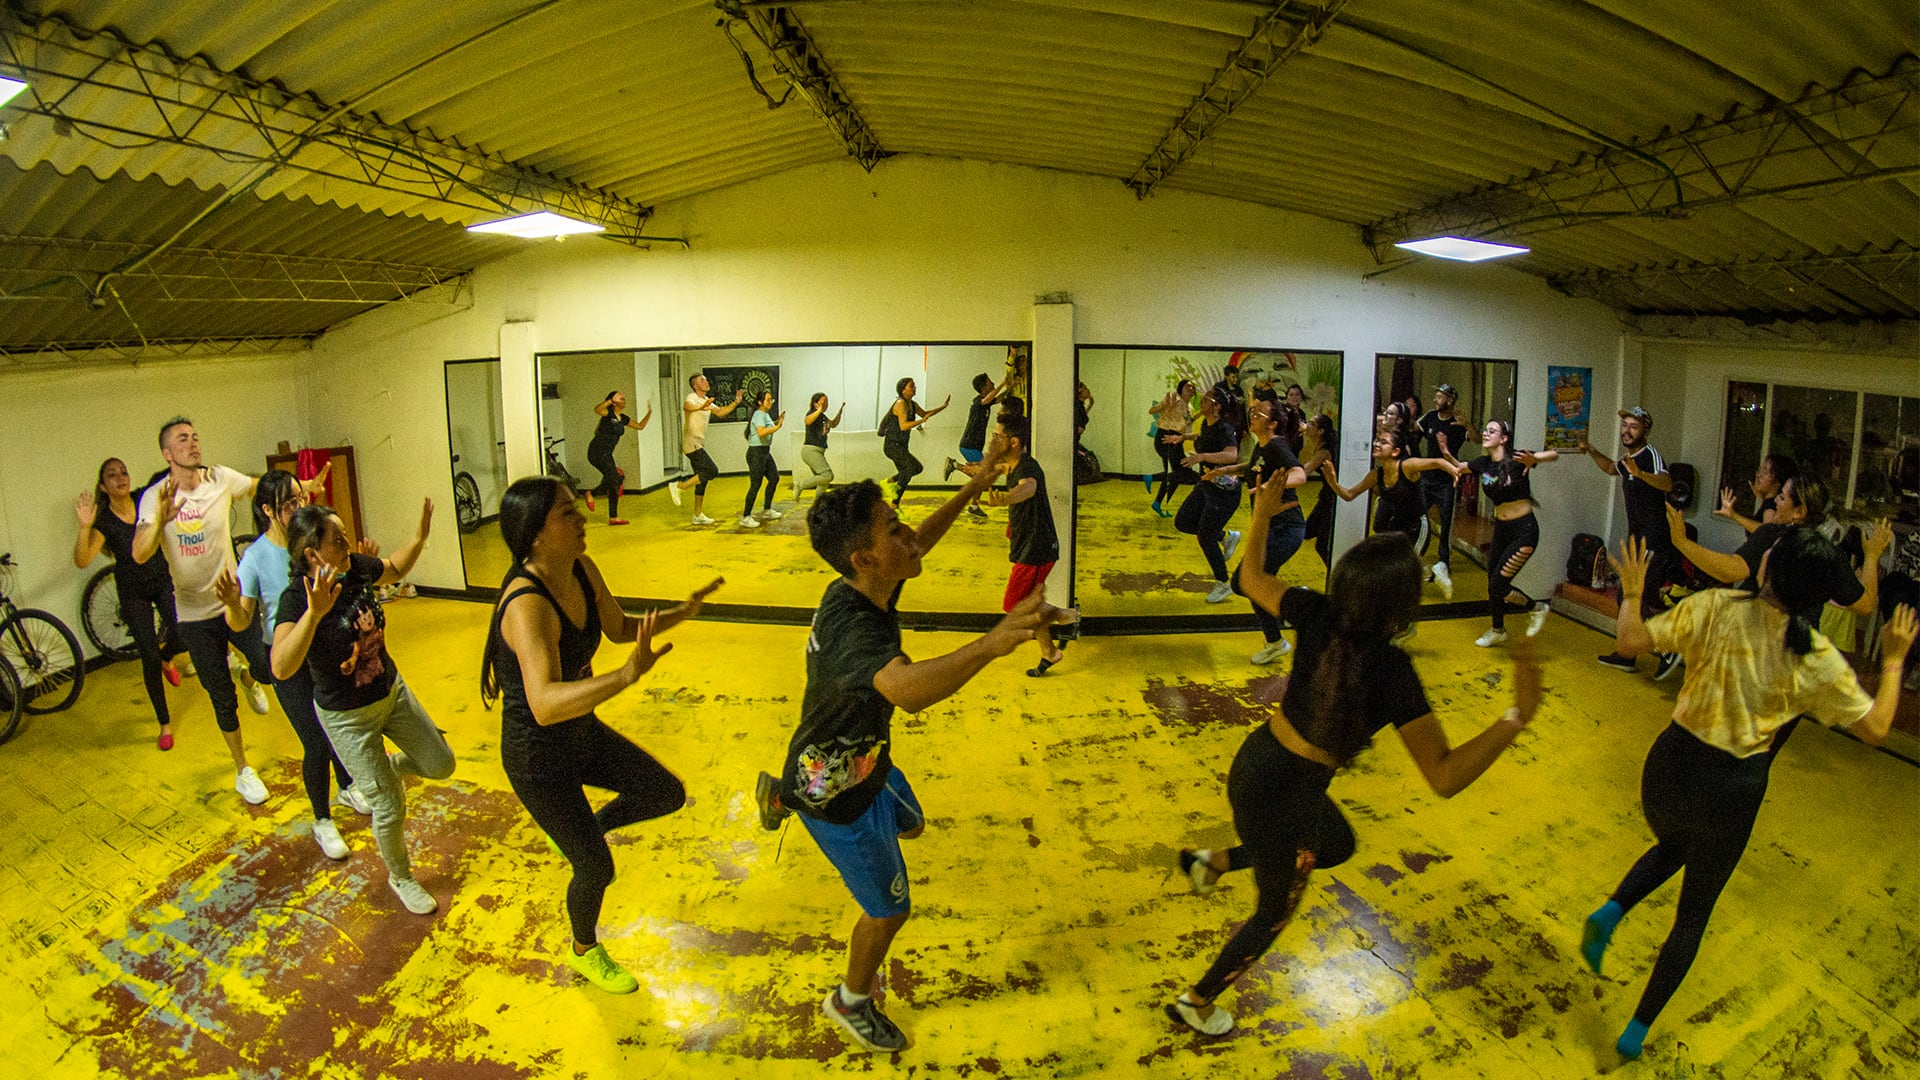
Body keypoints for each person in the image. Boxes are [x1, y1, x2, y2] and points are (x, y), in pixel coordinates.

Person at [1166, 475, 1543, 1037]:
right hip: (1290, 798)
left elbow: (1249, 579)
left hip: (1255, 763)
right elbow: (1443, 777)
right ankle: (1195, 1001)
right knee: (1272, 912)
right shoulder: (1393, 670)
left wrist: (1262, 513)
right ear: (1402, 603)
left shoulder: (1317, 612)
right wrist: (1516, 717)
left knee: (1338, 843)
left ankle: (1215, 861)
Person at [751, 458, 1074, 1054]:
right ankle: (850, 1000)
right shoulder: (856, 629)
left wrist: (975, 484)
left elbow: (920, 541)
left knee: (915, 825)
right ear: (865, 558)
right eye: (893, 531)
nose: (909, 536)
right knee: (888, 911)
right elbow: (906, 691)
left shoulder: (863, 583)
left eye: (899, 523)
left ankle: (780, 795)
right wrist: (993, 643)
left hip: (865, 760)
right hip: (839, 796)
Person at [1582, 533, 1916, 1061]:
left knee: (1675, 843)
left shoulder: (1718, 605)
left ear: (1768, 569)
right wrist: (1893, 660)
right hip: (1731, 791)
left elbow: (1629, 640)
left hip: (1667, 770)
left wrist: (1632, 591)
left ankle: (1610, 910)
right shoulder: (1816, 656)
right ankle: (1635, 1031)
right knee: (1693, 914)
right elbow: (1876, 728)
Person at [481, 476, 722, 993]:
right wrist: (625, 675)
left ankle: (582, 830)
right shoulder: (527, 604)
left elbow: (617, 627)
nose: (582, 518)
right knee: (595, 868)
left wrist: (682, 612)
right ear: (536, 534)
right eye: (567, 513)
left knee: (664, 792)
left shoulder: (581, 567)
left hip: (581, 733)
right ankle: (584, 949)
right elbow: (545, 704)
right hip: (537, 757)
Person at [272, 499, 450, 915]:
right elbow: (281, 666)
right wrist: (314, 615)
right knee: (389, 804)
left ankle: (389, 769)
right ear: (312, 554)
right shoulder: (296, 599)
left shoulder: (355, 568)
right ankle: (401, 877)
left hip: (392, 694)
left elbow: (395, 568)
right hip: (347, 719)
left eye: (345, 534)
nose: (347, 543)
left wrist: (420, 536)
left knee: (441, 764)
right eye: (337, 539)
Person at [133, 418, 323, 804]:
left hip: (234, 602)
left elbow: (260, 487)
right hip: (193, 615)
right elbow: (139, 553)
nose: (193, 443)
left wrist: (304, 487)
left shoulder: (219, 478)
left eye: (195, 436)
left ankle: (248, 676)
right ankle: (243, 770)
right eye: (182, 439)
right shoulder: (156, 497)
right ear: (167, 453)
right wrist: (160, 521)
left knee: (269, 667)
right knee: (220, 695)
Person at [214, 471, 369, 859]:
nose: (299, 507)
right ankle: (322, 820)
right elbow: (240, 621)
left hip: (324, 649)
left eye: (302, 498)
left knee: (338, 725)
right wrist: (232, 603)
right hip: (288, 660)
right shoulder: (255, 558)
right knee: (315, 740)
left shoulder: (311, 541)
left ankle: (347, 785)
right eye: (289, 503)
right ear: (268, 511)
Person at [74, 458, 183, 749]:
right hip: (133, 592)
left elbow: (168, 477)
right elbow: (82, 560)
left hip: (160, 579)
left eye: (123, 472)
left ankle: (167, 658)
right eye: (112, 475)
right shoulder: (104, 521)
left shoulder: (142, 498)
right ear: (103, 486)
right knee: (148, 656)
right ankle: (164, 724)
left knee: (183, 631)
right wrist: (84, 527)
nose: (120, 478)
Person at [1666, 477, 1887, 617]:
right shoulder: (1829, 554)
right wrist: (1872, 556)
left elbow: (1730, 570)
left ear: (1799, 512)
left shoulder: (1773, 535)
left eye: (1781, 497)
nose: (1775, 502)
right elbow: (1866, 605)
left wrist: (1682, 542)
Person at [1201, 400, 1308, 664]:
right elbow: (1252, 467)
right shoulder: (1262, 446)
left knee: (1245, 582)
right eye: (1252, 412)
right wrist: (1225, 470)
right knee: (1251, 583)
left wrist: (1271, 486)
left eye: (1259, 414)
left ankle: (1292, 613)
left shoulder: (1278, 445)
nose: (1253, 416)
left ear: (1273, 423)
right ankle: (1283, 624)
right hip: (1270, 527)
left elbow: (1300, 475)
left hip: (1285, 527)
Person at [1582, 406, 1682, 679]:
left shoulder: (1649, 455)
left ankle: (1667, 647)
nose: (1626, 430)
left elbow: (1667, 483)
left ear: (1645, 431)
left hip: (1654, 540)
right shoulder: (1628, 460)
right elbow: (1609, 468)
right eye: (1625, 425)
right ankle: (1628, 654)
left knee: (1635, 597)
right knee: (1628, 598)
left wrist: (1640, 474)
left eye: (1633, 426)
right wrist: (1589, 449)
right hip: (1638, 541)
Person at [1458, 420, 1558, 646]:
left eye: (1492, 431)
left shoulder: (1517, 458)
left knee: (1499, 585)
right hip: (1501, 530)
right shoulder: (1483, 463)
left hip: (1524, 531)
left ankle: (1536, 607)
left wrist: (1535, 459)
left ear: (1504, 438)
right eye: (1485, 430)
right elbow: (1459, 467)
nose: (1485, 433)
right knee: (1492, 582)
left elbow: (1553, 455)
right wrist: (1444, 456)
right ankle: (1498, 630)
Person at [979, 414, 1065, 676]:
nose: (994, 440)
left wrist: (1006, 498)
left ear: (1014, 441)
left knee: (1015, 605)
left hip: (1036, 550)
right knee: (1028, 603)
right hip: (1028, 545)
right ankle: (1049, 652)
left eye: (998, 436)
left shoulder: (1028, 468)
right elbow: (996, 470)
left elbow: (1028, 488)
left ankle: (1066, 616)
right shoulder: (1013, 464)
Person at [1318, 430, 1460, 545]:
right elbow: (1349, 495)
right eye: (1377, 441)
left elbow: (1438, 462)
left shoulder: (1407, 466)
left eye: (1383, 442)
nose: (1377, 444)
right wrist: (1333, 483)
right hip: (1396, 525)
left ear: (1395, 451)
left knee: (1409, 567)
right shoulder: (1375, 475)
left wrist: (1453, 470)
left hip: (1417, 526)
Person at [1174, 388, 1245, 604]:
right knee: (1183, 522)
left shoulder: (1225, 428)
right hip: (1206, 483)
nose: (1202, 401)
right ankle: (1226, 536)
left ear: (1217, 406)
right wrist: (1182, 437)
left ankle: (1223, 584)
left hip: (1224, 492)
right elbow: (1203, 437)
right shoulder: (1207, 424)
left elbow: (1232, 455)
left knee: (1205, 536)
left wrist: (1202, 456)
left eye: (1206, 399)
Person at [1416, 384, 1470, 596]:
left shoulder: (1457, 423)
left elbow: (1476, 439)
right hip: (1427, 479)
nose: (1435, 400)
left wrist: (1468, 425)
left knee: (1446, 522)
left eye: (1439, 397)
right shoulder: (1430, 417)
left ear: (1449, 400)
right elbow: (1414, 429)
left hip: (1447, 482)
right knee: (1419, 517)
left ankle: (1444, 562)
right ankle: (1418, 556)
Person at [670, 373, 744, 525]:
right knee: (711, 471)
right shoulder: (692, 397)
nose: (706, 382)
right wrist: (701, 407)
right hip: (691, 442)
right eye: (702, 380)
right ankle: (679, 486)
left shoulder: (706, 400)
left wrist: (736, 402)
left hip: (698, 442)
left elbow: (720, 412)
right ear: (695, 386)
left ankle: (697, 515)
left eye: (706, 380)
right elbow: (686, 406)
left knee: (701, 480)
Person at [878, 377, 950, 512]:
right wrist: (921, 421)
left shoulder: (912, 404)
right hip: (892, 445)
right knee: (910, 469)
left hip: (901, 445)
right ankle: (894, 505)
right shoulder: (900, 403)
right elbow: (904, 426)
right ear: (903, 390)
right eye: (911, 386)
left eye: (914, 385)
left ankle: (889, 483)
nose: (915, 388)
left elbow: (925, 414)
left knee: (914, 469)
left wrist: (943, 406)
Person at [584, 391, 650, 526]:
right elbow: (597, 409)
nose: (624, 400)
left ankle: (613, 517)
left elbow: (640, 426)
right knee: (614, 478)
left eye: (624, 398)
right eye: (620, 398)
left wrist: (649, 413)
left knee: (615, 481)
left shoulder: (623, 418)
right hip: (596, 451)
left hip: (607, 454)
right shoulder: (608, 414)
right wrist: (610, 400)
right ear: (613, 401)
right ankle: (591, 494)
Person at [1148, 378, 1198, 518]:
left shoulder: (1189, 407)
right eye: (1188, 386)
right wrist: (1164, 405)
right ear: (1181, 388)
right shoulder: (1174, 399)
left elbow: (1188, 423)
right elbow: (1151, 410)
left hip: (1177, 440)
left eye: (1192, 387)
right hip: (1166, 437)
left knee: (1178, 473)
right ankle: (1151, 479)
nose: (1191, 388)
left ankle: (1158, 502)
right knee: (1181, 471)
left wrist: (1202, 413)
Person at [740, 390, 786, 528]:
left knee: (774, 478)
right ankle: (746, 517)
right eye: (768, 400)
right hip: (756, 453)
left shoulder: (764, 414)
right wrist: (777, 426)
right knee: (756, 484)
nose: (770, 402)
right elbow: (761, 432)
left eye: (771, 399)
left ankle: (767, 510)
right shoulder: (759, 414)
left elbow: (767, 428)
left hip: (764, 452)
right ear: (760, 402)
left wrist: (777, 421)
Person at [1715, 454, 1797, 532]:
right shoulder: (1768, 503)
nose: (1759, 475)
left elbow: (1766, 532)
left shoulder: (1771, 507)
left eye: (1765, 472)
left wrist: (1733, 515)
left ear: (1778, 481)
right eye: (1760, 470)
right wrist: (1760, 497)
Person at [944, 373, 999, 483]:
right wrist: (1003, 383)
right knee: (985, 474)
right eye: (990, 382)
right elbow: (987, 399)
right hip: (969, 445)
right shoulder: (978, 401)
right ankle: (954, 465)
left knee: (981, 476)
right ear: (983, 387)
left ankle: (954, 465)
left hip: (975, 445)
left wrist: (1010, 388)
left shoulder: (986, 403)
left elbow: (997, 399)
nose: (993, 384)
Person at [794, 393, 844, 502]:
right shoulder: (812, 413)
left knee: (823, 481)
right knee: (828, 475)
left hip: (818, 451)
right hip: (811, 450)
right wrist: (819, 410)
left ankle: (818, 503)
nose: (826, 404)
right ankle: (800, 485)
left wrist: (840, 413)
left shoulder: (822, 416)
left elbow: (833, 424)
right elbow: (807, 421)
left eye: (827, 402)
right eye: (824, 402)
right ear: (815, 403)